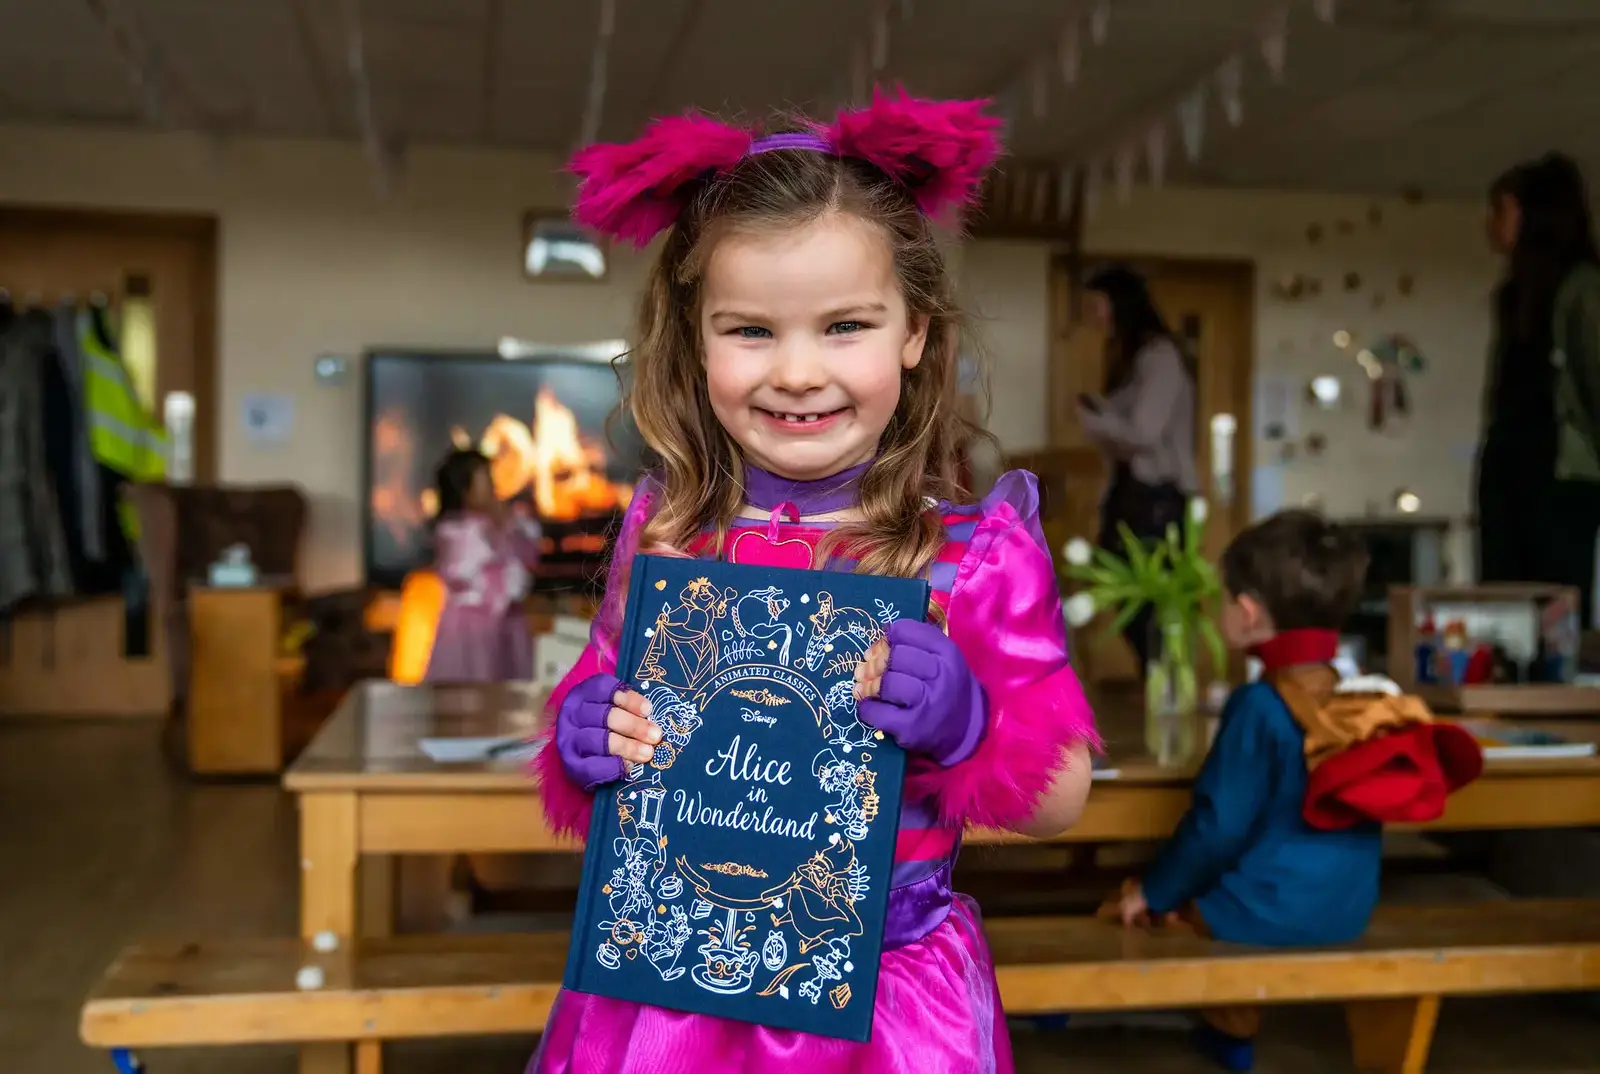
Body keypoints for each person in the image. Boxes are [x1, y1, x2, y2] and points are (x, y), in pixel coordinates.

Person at [529, 90, 1100, 1074]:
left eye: (845, 326)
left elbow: (1062, 796)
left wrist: (965, 727)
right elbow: (601, 705)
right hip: (670, 1004)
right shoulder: (668, 534)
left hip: (884, 1016)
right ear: (696, 341)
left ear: (913, 332)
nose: (796, 371)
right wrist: (585, 737)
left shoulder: (975, 554)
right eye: (750, 330)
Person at [1108, 510, 1481, 1072]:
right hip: (1347, 911)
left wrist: (1151, 893)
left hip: (1266, 914)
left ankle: (1224, 1030)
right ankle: (1227, 1018)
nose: (1223, 607)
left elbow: (1216, 825)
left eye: (1227, 597)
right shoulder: (1358, 698)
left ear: (1250, 612)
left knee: (1159, 899)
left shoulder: (1259, 706)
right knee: (1220, 875)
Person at [1478, 153, 1600, 626]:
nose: (1490, 225)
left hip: (1561, 470)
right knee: (1500, 592)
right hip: (1509, 458)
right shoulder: (1513, 295)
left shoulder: (1581, 288)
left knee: (1554, 599)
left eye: (1500, 210)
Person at [1076, 265, 1198, 666]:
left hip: (1156, 497)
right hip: (1133, 494)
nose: (1094, 316)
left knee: (1149, 602)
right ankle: (1158, 681)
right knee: (1125, 591)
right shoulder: (1135, 358)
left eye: (1098, 305)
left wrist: (1094, 421)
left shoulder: (1160, 356)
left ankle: (1164, 686)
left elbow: (1145, 432)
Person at [423, 448, 542, 682]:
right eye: (485, 479)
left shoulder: (502, 523)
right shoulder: (455, 531)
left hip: (507, 624)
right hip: (472, 629)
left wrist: (506, 523)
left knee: (509, 687)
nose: (492, 486)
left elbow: (527, 555)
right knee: (472, 685)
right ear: (464, 490)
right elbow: (477, 573)